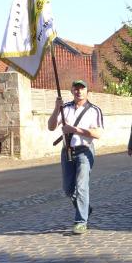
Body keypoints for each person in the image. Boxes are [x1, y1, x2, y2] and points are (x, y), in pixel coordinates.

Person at [47, 79, 104, 235]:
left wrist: (75, 130)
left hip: (84, 151)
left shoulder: (94, 110)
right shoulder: (65, 108)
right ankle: (85, 207)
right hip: (67, 151)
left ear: (87, 91)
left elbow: (98, 134)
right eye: (76, 89)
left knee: (81, 186)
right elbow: (51, 126)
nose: (79, 91)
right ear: (72, 91)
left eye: (82, 88)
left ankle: (81, 222)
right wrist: (56, 109)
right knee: (68, 189)